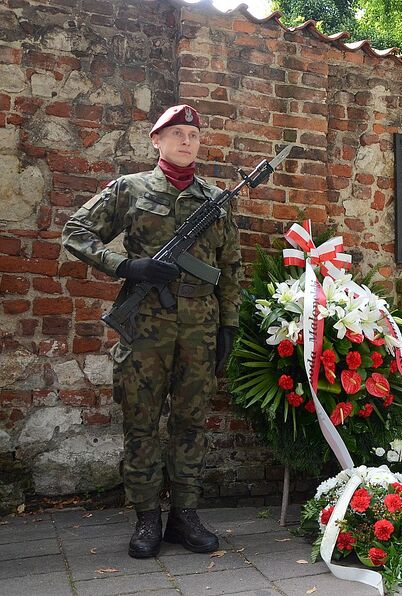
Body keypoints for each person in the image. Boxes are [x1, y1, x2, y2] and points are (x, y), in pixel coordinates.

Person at [62, 105, 242, 557]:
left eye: (193, 136)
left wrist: (228, 325)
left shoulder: (216, 200)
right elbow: (76, 230)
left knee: (191, 424)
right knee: (141, 423)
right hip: (144, 327)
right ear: (156, 140)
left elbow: (231, 267)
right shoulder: (129, 189)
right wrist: (126, 265)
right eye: (176, 133)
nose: (186, 141)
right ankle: (146, 520)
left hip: (199, 329)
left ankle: (185, 517)